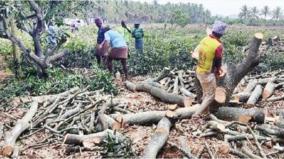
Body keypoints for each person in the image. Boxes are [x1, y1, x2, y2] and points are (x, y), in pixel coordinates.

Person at [192, 20, 227, 115]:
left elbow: (197, 52)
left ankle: (205, 114)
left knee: (205, 93)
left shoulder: (204, 40)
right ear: (221, 34)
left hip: (199, 70)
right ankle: (195, 115)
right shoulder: (218, 46)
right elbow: (218, 61)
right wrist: (218, 70)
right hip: (207, 74)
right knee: (211, 96)